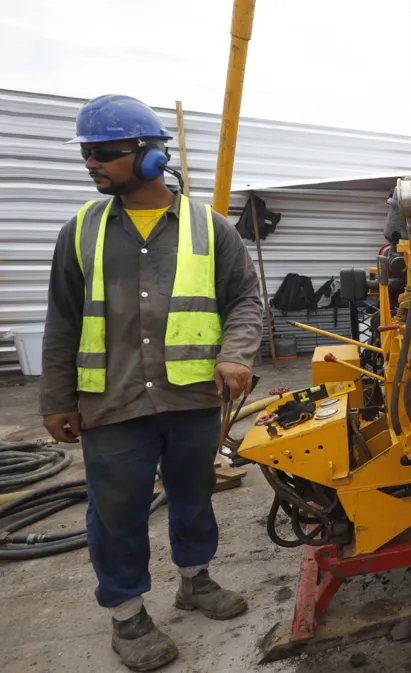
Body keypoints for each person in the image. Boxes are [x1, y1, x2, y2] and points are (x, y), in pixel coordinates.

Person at [38, 94, 264, 672]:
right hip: (112, 400)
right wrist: (57, 398)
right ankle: (127, 614)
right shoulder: (81, 231)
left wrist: (236, 354)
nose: (91, 163)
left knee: (193, 497)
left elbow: (244, 300)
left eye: (105, 153)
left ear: (148, 156)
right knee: (116, 510)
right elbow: (62, 319)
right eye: (87, 153)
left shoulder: (209, 228)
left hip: (190, 397)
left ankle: (196, 580)